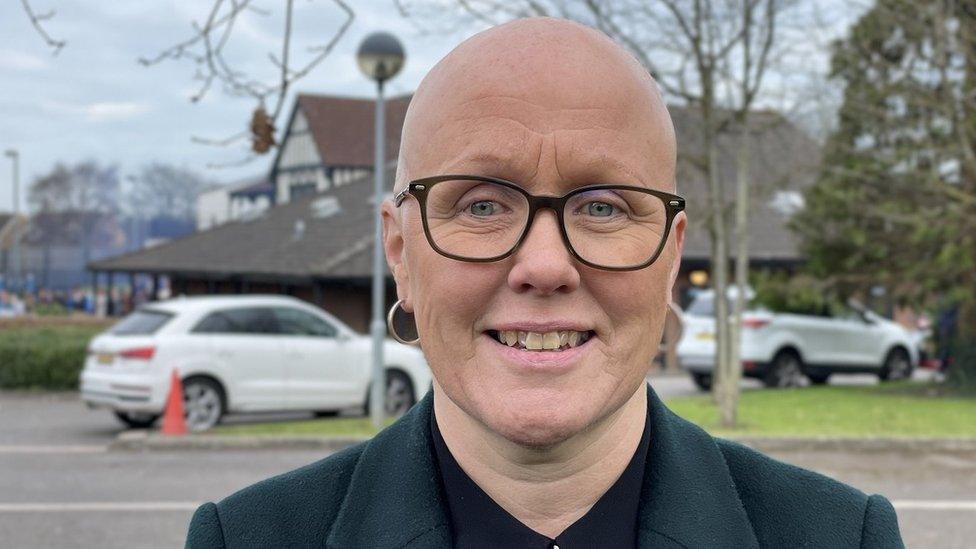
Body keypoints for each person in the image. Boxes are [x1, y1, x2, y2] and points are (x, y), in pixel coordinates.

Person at [186, 17, 903, 548]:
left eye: (602, 206)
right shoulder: (249, 537)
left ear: (670, 256)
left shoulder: (840, 535)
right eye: (481, 204)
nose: (545, 267)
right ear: (401, 250)